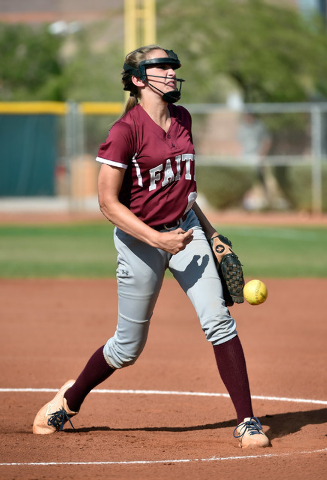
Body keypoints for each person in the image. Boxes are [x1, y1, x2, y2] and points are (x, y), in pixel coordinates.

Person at [33, 45, 270, 449]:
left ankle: (247, 421)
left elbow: (186, 190)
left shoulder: (183, 118)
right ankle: (70, 400)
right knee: (127, 348)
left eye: (172, 67)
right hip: (140, 240)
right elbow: (107, 202)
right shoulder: (125, 131)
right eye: (160, 67)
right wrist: (157, 239)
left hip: (187, 230)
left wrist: (210, 233)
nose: (170, 73)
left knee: (218, 320)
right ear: (138, 79)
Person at [237, 111, 273, 209]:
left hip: (256, 157)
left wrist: (262, 154)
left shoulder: (259, 126)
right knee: (245, 180)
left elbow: (267, 140)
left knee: (260, 178)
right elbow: (239, 142)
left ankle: (268, 201)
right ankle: (246, 202)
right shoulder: (242, 128)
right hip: (245, 157)